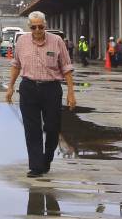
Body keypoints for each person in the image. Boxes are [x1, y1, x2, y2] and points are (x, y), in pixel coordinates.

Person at [6, 11, 77, 176]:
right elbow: (16, 64)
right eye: (34, 27)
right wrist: (10, 86)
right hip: (28, 89)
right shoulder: (22, 41)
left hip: (51, 89)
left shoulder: (57, 41)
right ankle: (36, 167)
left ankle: (47, 158)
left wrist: (71, 92)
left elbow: (66, 68)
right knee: (32, 129)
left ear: (45, 25)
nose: (37, 30)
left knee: (52, 128)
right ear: (29, 27)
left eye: (40, 26)